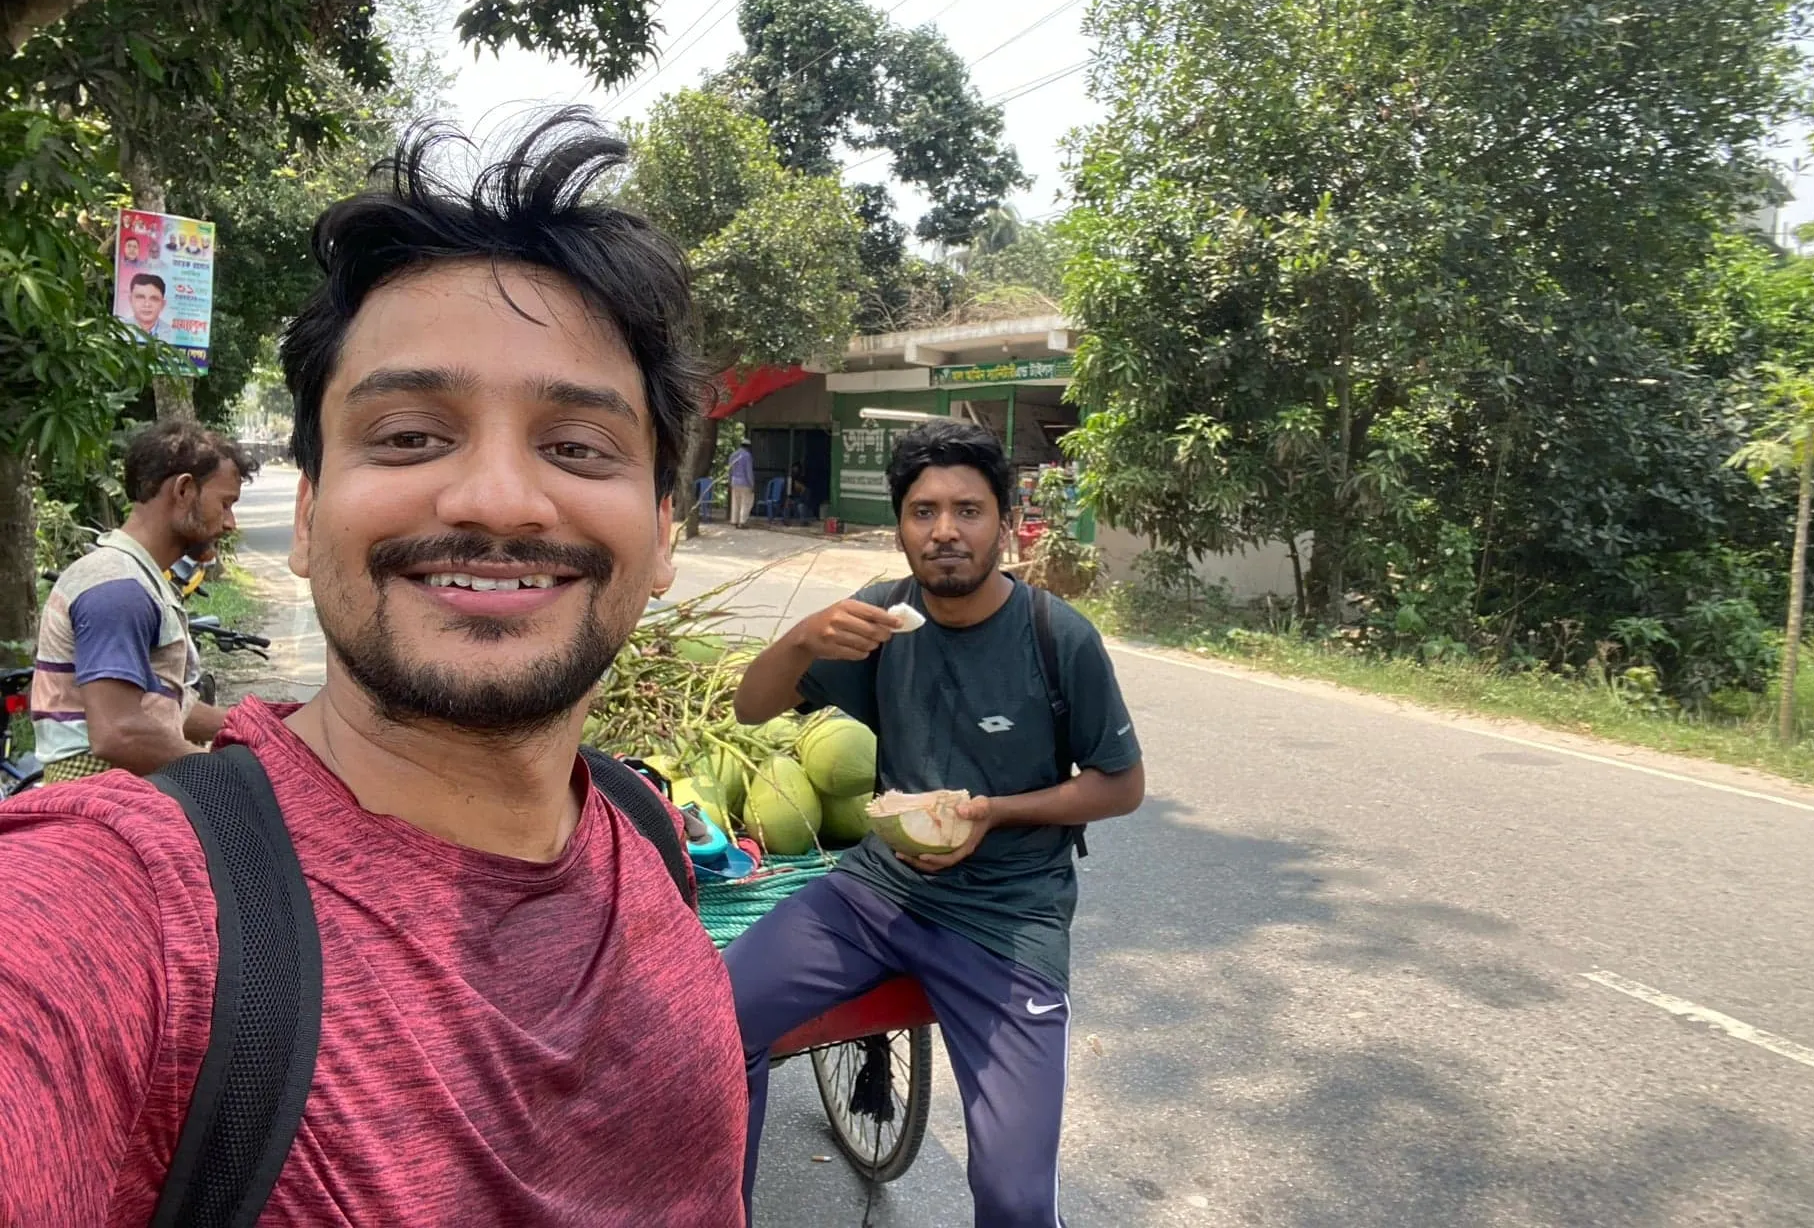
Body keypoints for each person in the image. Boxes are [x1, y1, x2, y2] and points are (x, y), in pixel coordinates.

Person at [0, 110, 746, 1225]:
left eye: (579, 448)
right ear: (305, 520)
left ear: (662, 531)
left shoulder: (643, 831)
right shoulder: (127, 918)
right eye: (407, 437)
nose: (496, 498)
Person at [727, 420, 1147, 1227]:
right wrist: (802, 639)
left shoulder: (1056, 637)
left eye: (968, 510)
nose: (945, 531)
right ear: (900, 524)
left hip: (1008, 915)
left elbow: (1120, 786)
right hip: (873, 896)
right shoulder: (879, 620)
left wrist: (994, 813)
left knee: (1016, 1200)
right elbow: (753, 706)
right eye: (923, 512)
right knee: (713, 1024)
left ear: (1003, 518)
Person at [30, 421, 252, 782]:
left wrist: (255, 728)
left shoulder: (138, 578)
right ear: (184, 490)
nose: (229, 523)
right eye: (225, 504)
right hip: (98, 794)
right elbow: (118, 733)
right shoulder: (118, 587)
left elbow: (163, 710)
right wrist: (221, 773)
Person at [127, 270, 168, 337]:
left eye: (154, 299)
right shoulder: (118, 329)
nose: (147, 304)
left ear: (163, 304)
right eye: (140, 297)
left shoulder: (174, 335)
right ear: (130, 300)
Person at [727, 438, 755, 526]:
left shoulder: (733, 455)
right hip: (745, 483)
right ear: (748, 447)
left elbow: (730, 471)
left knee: (735, 502)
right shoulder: (747, 456)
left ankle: (734, 521)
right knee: (745, 502)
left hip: (734, 482)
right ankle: (742, 522)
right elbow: (749, 471)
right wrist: (752, 484)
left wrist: (729, 481)